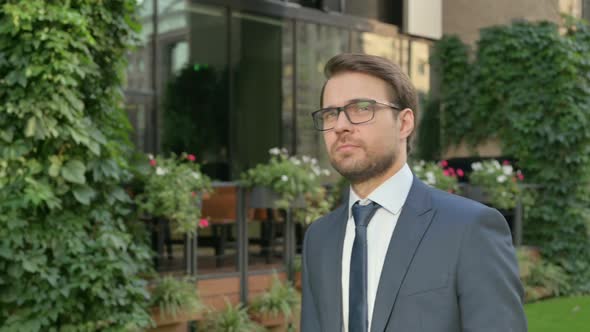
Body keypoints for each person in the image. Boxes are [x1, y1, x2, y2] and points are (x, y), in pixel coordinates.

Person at [300, 53, 527, 332]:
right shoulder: (319, 238)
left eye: (361, 108)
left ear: (404, 123)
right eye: (330, 113)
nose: (340, 125)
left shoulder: (469, 229)